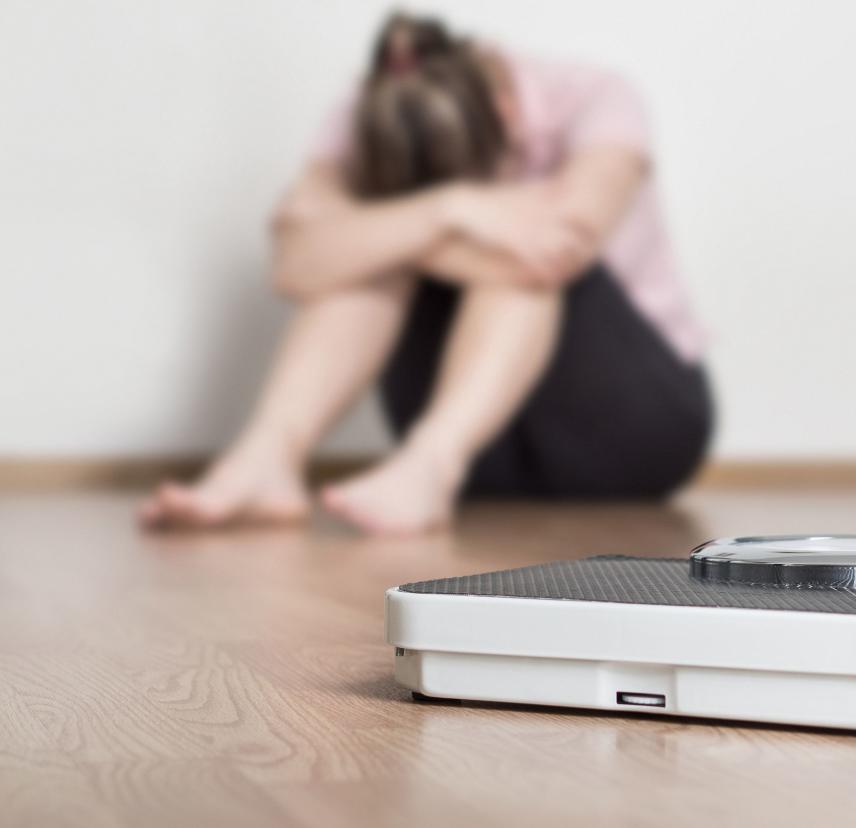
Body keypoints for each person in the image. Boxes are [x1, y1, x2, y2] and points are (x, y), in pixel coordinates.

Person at [139, 12, 711, 535]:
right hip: (486, 457)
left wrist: (395, 229)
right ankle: (269, 456)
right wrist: (451, 210)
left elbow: (554, 246)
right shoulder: (372, 111)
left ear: (507, 115)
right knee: (371, 255)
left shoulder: (595, 96)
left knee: (510, 257)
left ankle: (431, 464)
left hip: (633, 429)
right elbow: (293, 265)